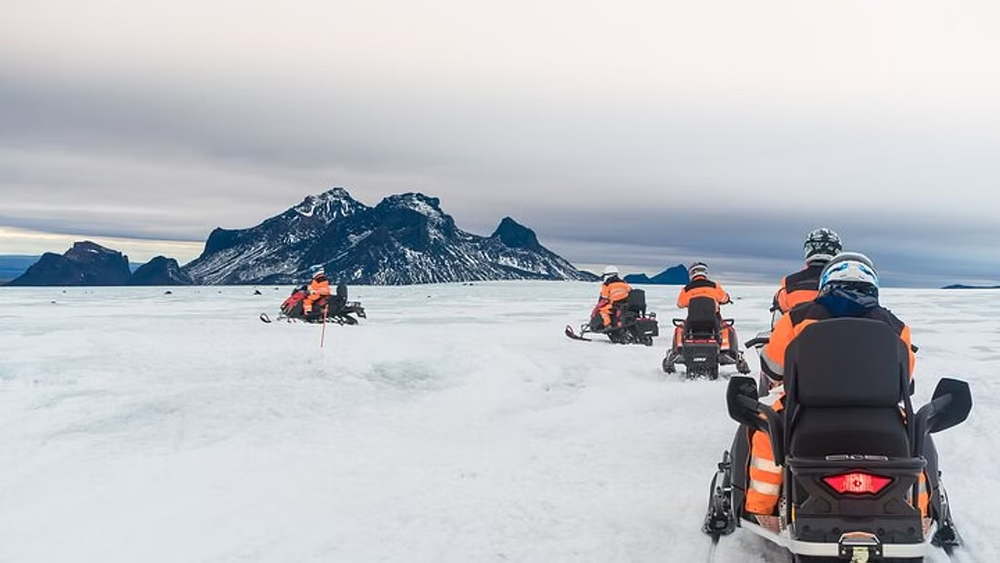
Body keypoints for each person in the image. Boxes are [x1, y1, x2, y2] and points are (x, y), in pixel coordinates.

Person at [743, 252, 928, 522]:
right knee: (917, 441)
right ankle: (918, 514)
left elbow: (772, 368)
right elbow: (905, 381)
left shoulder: (796, 318)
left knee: (764, 432)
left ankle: (761, 509)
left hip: (804, 414)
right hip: (881, 419)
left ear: (827, 282)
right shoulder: (896, 326)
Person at [769, 228, 843, 323]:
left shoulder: (788, 286)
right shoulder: (848, 285)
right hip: (839, 335)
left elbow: (777, 325)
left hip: (798, 336)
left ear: (808, 249)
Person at [672, 262, 738, 357]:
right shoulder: (714, 286)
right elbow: (723, 298)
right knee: (725, 328)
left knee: (680, 328)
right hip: (713, 320)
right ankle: (728, 352)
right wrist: (726, 299)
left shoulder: (686, 289)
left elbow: (680, 304)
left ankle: (678, 351)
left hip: (692, 321)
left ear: (692, 273)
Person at [589, 265, 632, 330]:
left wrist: (596, 309)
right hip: (626, 305)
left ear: (607, 275)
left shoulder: (606, 285)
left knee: (603, 311)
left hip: (615, 305)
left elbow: (604, 300)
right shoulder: (624, 284)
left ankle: (608, 325)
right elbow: (631, 292)